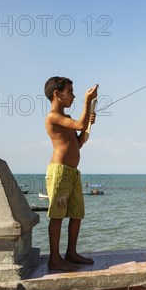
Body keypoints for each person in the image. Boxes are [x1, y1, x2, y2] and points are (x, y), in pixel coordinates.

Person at [44, 76, 98, 271]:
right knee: (57, 215)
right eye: (70, 92)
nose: (73, 96)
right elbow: (80, 125)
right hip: (59, 172)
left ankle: (71, 253)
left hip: (73, 172)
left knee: (77, 214)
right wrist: (88, 101)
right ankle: (54, 259)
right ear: (57, 94)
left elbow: (79, 141)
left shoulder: (66, 119)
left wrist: (89, 123)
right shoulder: (52, 117)